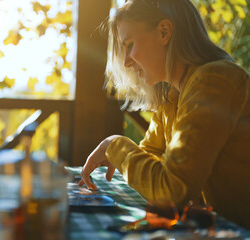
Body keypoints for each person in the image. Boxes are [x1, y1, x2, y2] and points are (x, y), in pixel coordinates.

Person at [79, 0, 250, 229]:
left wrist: (115, 146)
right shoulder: (175, 94)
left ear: (164, 32)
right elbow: (151, 154)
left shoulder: (214, 81)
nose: (127, 61)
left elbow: (170, 191)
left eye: (129, 45)